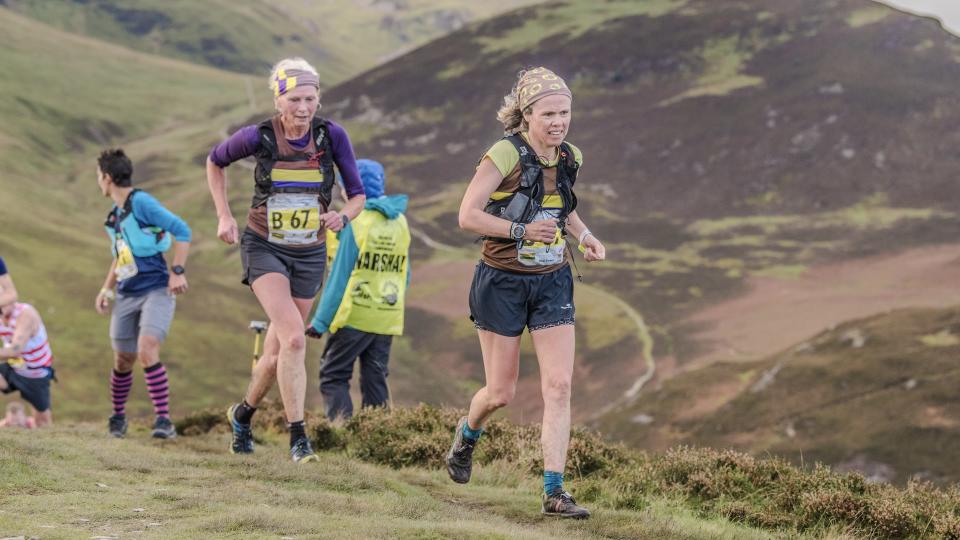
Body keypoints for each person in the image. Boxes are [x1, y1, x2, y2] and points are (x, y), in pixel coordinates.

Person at [447, 67, 606, 519]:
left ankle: (555, 492)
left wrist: (584, 235)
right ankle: (468, 434)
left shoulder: (570, 156)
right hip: (501, 281)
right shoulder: (504, 154)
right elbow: (467, 216)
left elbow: (562, 209)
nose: (559, 121)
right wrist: (519, 229)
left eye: (565, 112)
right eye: (549, 113)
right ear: (526, 114)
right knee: (501, 392)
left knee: (559, 385)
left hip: (552, 279)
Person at [207, 57, 366, 462]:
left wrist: (341, 216)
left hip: (310, 253)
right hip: (265, 247)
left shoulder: (332, 137)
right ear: (278, 99)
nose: (303, 107)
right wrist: (224, 215)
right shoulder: (258, 136)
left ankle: (242, 415)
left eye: (310, 98)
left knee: (277, 354)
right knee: (296, 338)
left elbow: (358, 195)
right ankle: (299, 439)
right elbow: (215, 161)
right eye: (294, 98)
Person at [94, 148, 192, 440]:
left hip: (156, 288)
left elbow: (182, 230)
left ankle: (164, 421)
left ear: (108, 178)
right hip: (126, 292)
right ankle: (118, 417)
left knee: (147, 349)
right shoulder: (114, 216)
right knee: (123, 359)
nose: (98, 182)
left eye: (99, 176)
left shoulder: (142, 202)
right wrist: (106, 289)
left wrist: (177, 271)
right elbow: (121, 255)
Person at [307, 159, 410, 421]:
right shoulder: (400, 222)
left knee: (333, 374)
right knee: (375, 378)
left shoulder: (354, 222)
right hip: (386, 316)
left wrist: (320, 322)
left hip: (354, 314)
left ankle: (342, 435)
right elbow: (404, 275)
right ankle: (375, 439)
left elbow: (339, 277)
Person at [0, 298, 55, 427]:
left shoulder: (26, 315)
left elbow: (15, 350)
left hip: (34, 374)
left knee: (42, 422)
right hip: (13, 366)